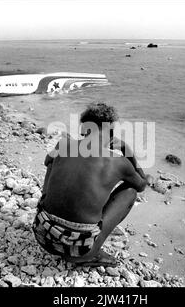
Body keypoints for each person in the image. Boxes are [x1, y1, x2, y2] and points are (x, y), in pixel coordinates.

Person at [33, 103, 152, 266]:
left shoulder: (63, 144)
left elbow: (47, 162)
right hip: (79, 249)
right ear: (110, 132)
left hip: (43, 236)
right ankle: (89, 254)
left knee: (53, 163)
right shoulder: (118, 162)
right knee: (130, 191)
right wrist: (126, 149)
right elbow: (142, 184)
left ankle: (48, 209)